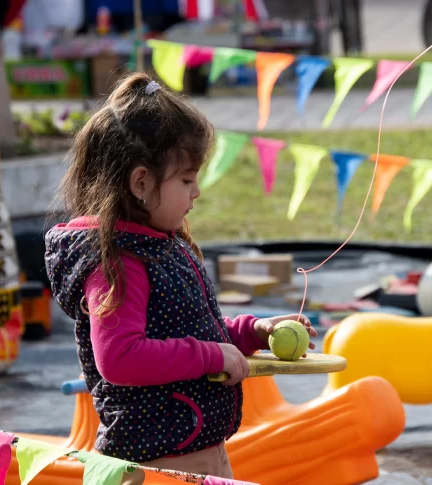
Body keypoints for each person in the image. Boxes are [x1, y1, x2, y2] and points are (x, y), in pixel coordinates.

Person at [43, 72, 316, 484]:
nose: (197, 192)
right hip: (157, 464)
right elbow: (119, 358)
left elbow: (183, 328)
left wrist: (251, 332)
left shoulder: (159, 245)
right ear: (141, 182)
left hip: (197, 452)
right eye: (187, 179)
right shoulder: (119, 262)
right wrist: (211, 355)